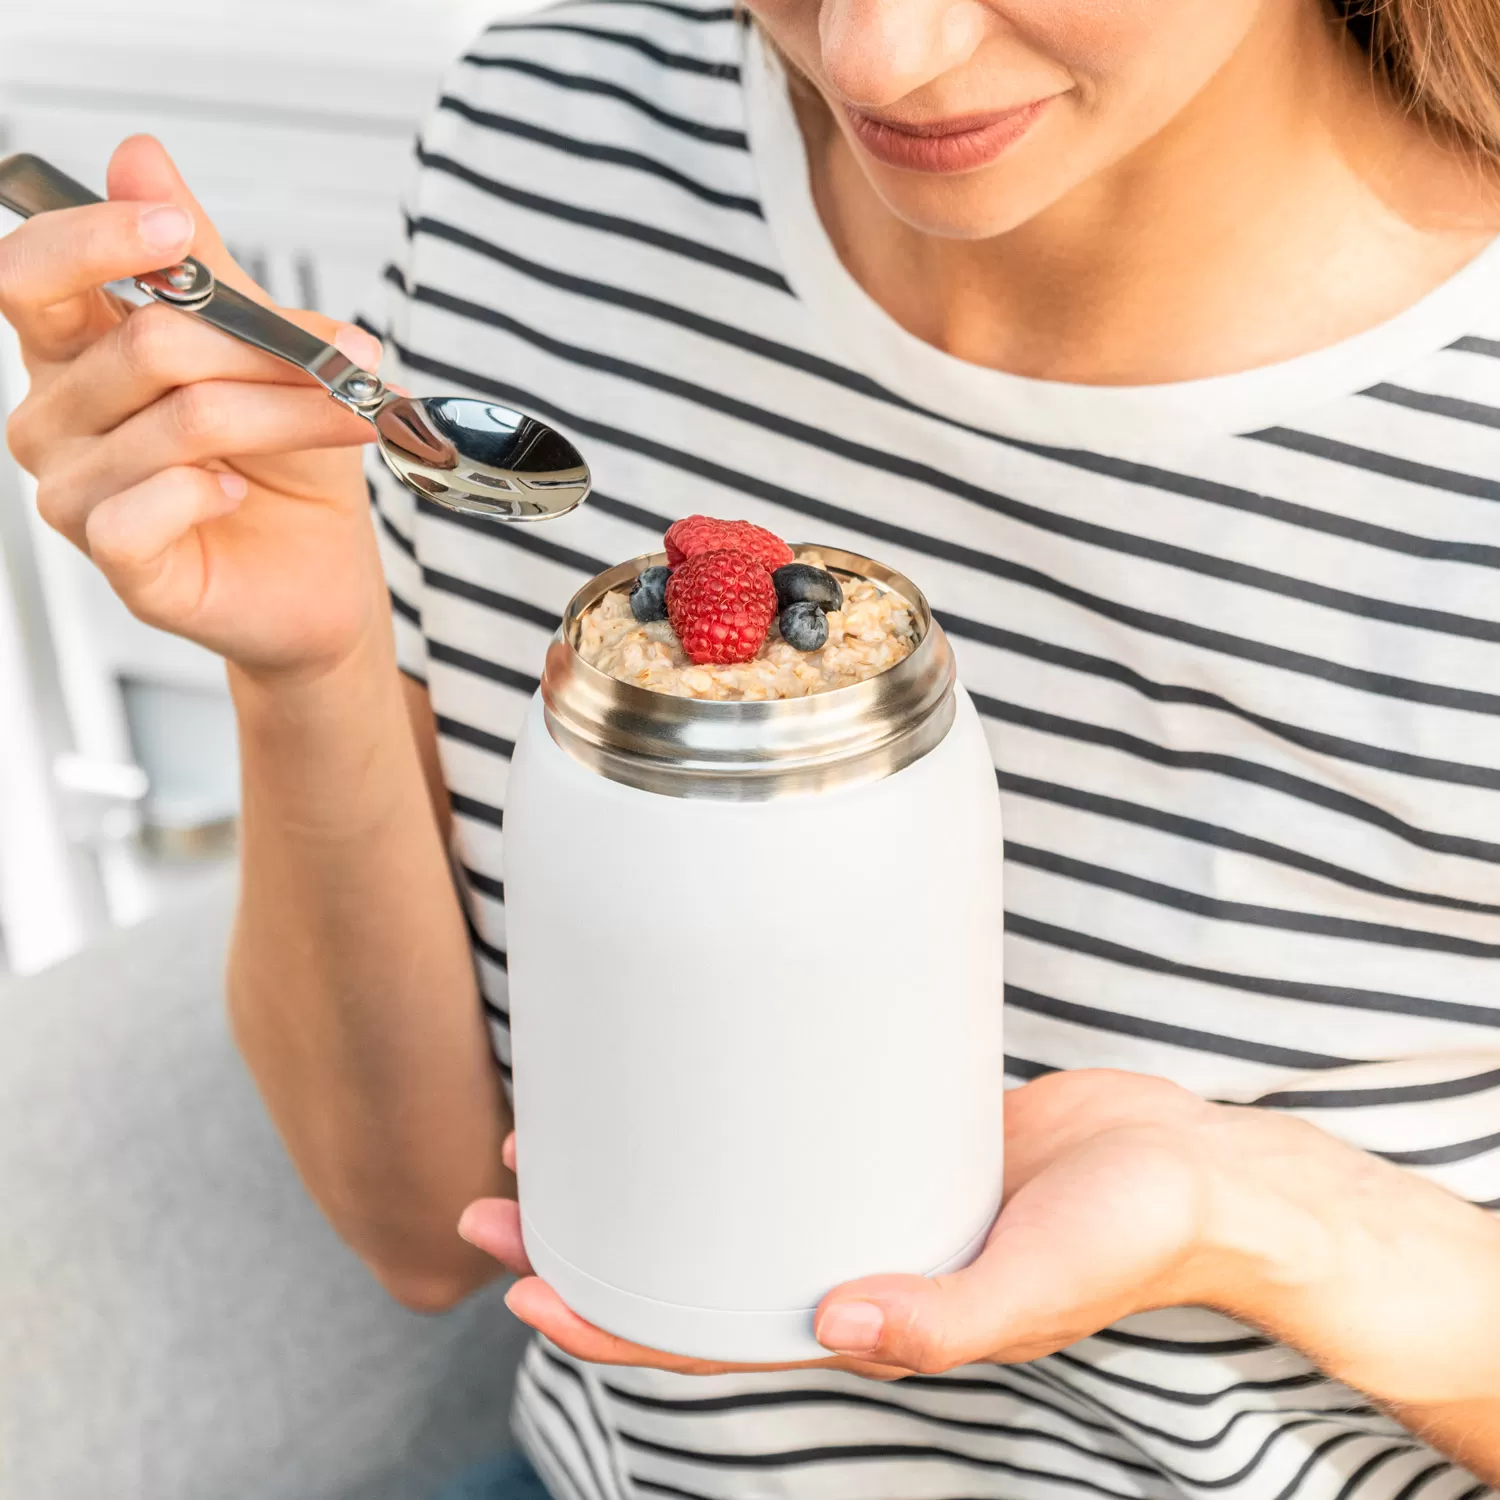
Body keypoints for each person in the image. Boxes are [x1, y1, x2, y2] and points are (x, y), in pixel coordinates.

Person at [4, 0, 1500, 1491]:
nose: (878, 61)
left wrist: (1263, 1222)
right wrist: (309, 661)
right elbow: (423, 1231)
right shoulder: (548, 153)